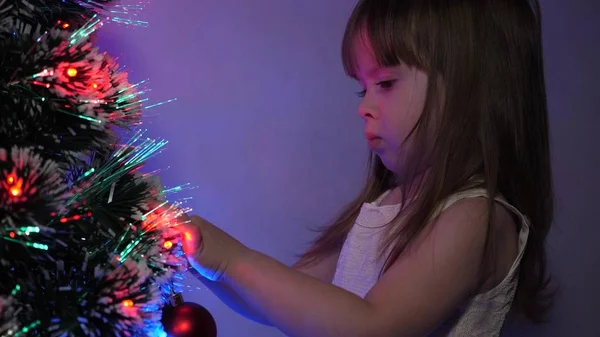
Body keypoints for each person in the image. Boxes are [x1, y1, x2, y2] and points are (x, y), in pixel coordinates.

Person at [178, 0, 555, 335]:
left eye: (386, 83)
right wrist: (189, 248)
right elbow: (281, 302)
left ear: (471, 90)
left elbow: (374, 326)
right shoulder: (383, 207)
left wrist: (230, 259)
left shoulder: (475, 217)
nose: (364, 107)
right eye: (363, 88)